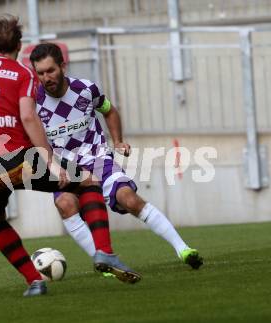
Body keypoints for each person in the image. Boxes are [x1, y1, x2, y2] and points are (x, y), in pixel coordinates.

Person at [0, 16, 141, 297]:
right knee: (88, 181)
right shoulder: (22, 74)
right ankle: (105, 253)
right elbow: (27, 115)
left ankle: (34, 282)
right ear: (19, 45)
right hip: (18, 159)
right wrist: (49, 160)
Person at [29, 43, 203, 270]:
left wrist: (118, 140)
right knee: (65, 204)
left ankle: (183, 249)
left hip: (98, 160)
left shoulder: (86, 89)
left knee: (129, 199)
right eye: (40, 73)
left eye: (50, 70)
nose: (46, 77)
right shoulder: (33, 102)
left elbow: (109, 111)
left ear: (63, 66)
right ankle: (104, 262)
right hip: (64, 168)